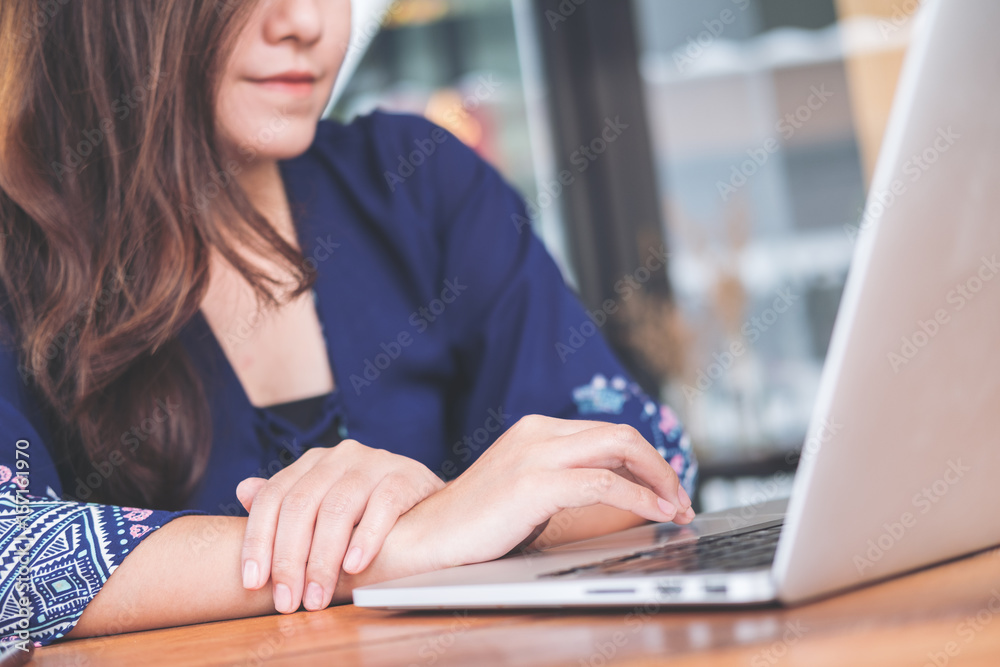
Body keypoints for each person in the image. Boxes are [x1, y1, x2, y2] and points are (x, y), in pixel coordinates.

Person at [0, 0, 697, 647]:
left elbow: (644, 461)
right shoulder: (17, 247)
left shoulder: (418, 181)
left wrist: (454, 514)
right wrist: (399, 547)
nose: (307, 22)